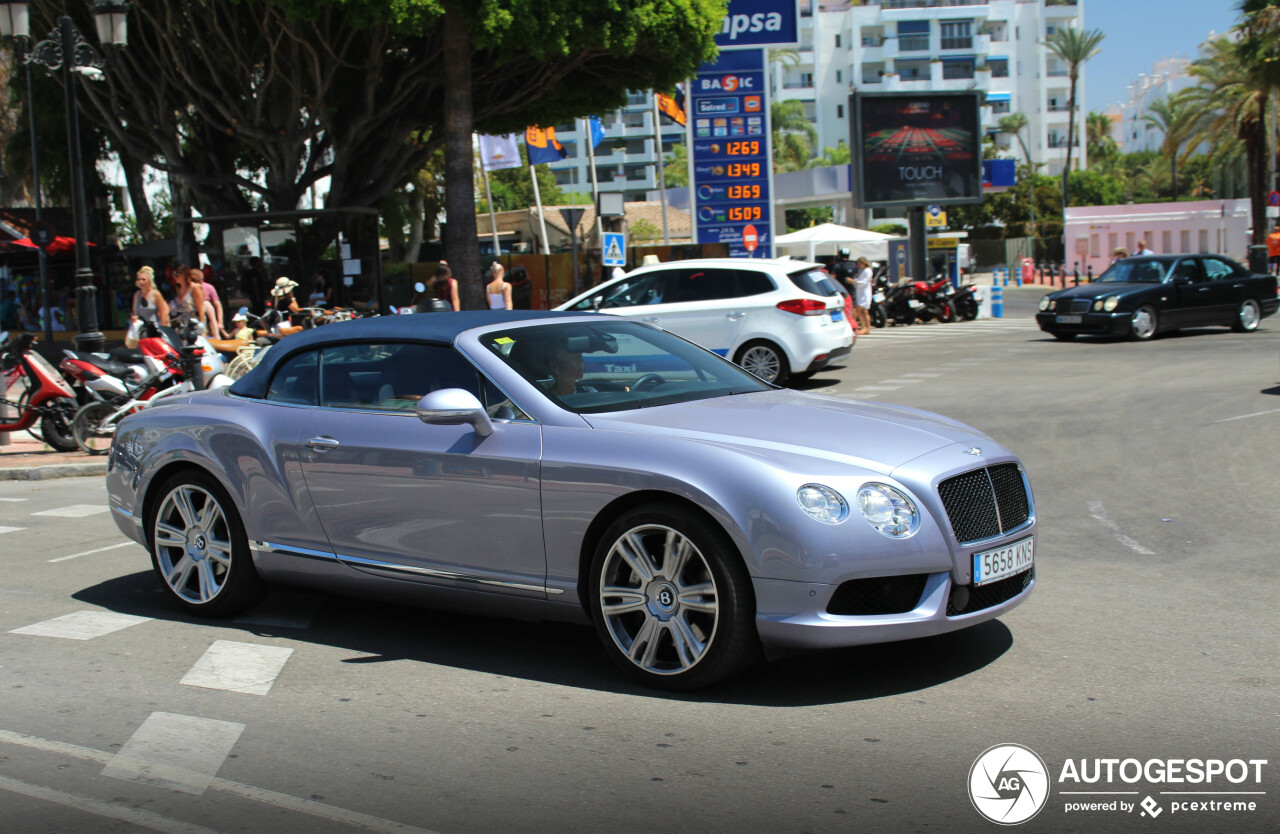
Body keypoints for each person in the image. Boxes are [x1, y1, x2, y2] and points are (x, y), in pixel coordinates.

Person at [128, 266, 170, 347]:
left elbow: (163, 314)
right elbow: (134, 312)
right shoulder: (136, 295)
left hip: (154, 331)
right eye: (139, 279)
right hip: (141, 331)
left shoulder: (156, 294)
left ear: (149, 280)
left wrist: (165, 333)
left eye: (143, 279)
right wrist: (133, 318)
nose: (141, 282)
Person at [169, 264, 206, 333]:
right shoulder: (178, 288)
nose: (174, 277)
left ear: (184, 274)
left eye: (177, 274)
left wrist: (202, 330)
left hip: (193, 326)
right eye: (173, 275)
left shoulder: (194, 288)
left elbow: (201, 310)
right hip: (180, 327)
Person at [190, 268, 223, 337]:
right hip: (195, 313)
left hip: (205, 311)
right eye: (198, 280)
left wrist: (220, 322)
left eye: (202, 279)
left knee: (207, 304)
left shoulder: (208, 287)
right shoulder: (189, 288)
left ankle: (215, 335)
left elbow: (218, 305)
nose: (201, 282)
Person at [852, 256, 873, 336]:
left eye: (859, 264)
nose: (858, 265)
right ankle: (865, 327)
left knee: (862, 310)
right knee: (863, 311)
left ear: (863, 263)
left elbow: (864, 282)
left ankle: (866, 327)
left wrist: (854, 282)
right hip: (861, 292)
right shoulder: (863, 271)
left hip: (864, 293)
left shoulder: (867, 271)